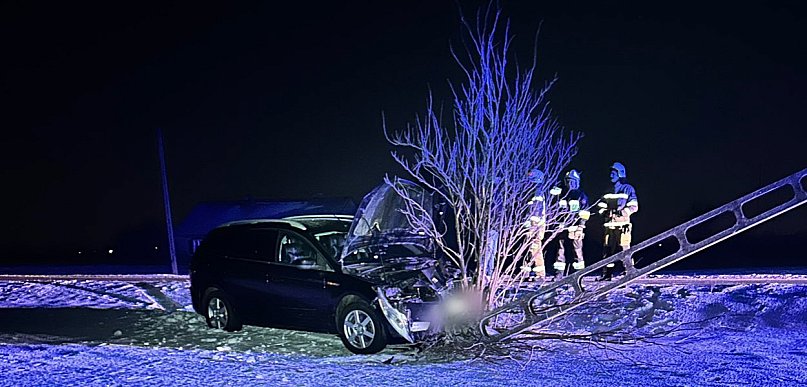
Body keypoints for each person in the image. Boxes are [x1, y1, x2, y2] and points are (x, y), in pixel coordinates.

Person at [597, 162, 639, 281]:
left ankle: (629, 272)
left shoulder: (628, 189)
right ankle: (607, 274)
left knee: (624, 249)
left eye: (614, 173)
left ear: (620, 174)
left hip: (622, 226)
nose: (611, 175)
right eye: (610, 172)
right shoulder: (608, 190)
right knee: (607, 251)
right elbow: (600, 206)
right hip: (609, 226)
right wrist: (605, 212)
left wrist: (621, 212)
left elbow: (634, 206)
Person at [522, 168, 562, 280]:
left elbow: (535, 211)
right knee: (529, 248)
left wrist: (531, 225)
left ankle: (540, 274)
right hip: (534, 225)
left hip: (535, 226)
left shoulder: (537, 191)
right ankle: (526, 272)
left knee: (535, 248)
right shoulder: (534, 191)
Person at [553, 169, 590, 278]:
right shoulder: (561, 195)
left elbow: (584, 213)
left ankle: (579, 274)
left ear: (577, 182)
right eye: (568, 181)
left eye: (572, 181)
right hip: (562, 228)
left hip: (575, 228)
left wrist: (581, 227)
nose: (570, 183)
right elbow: (556, 212)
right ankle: (559, 273)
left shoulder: (581, 195)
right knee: (560, 251)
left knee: (577, 250)